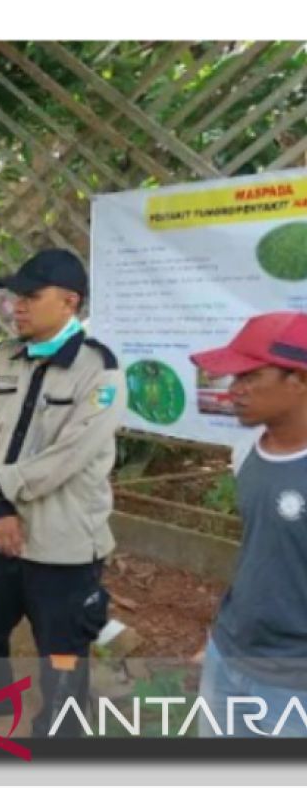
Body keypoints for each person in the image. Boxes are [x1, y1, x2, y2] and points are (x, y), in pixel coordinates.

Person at [0, 248, 124, 737]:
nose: (15, 306)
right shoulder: (3, 359)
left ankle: (59, 732)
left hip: (63, 540)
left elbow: (71, 455)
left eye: (31, 296)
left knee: (63, 650)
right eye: (14, 296)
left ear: (70, 302)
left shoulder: (101, 371)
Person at [190, 313, 307, 737]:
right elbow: (261, 555)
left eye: (248, 376)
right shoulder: (247, 454)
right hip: (229, 659)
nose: (232, 391)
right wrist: (221, 641)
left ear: (298, 377)